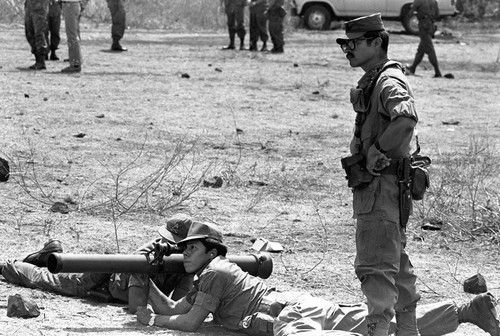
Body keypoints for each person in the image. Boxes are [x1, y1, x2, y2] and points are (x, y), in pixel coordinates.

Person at [136, 221, 500, 336]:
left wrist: (155, 320)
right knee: (378, 322)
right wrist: (142, 273)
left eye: (190, 249)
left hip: (285, 314)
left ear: (212, 251)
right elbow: (174, 307)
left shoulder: (214, 272)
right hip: (297, 303)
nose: (183, 255)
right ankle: (468, 308)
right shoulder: (212, 274)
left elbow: (188, 321)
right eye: (182, 250)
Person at [337, 13, 422, 336]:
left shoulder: (387, 81)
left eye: (354, 43)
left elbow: (406, 118)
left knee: (375, 270)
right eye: (345, 44)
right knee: (396, 267)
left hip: (380, 191)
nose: (348, 49)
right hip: (384, 191)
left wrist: (377, 151)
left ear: (376, 42)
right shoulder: (378, 78)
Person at [1, 214, 194, 314]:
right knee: (45, 280)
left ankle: (49, 254)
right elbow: (137, 305)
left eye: (178, 242)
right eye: (169, 240)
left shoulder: (187, 263)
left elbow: (177, 304)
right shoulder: (151, 251)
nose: (170, 245)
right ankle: (7, 265)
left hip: (112, 288)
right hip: (101, 279)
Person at [405, 0, 442, 78]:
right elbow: (437, 14)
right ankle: (413, 68)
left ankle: (437, 71)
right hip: (431, 25)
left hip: (423, 25)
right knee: (421, 48)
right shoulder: (434, 1)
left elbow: (410, 14)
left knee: (429, 48)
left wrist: (416, 12)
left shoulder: (418, 1)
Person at [24, 0, 50, 70]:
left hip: (40, 7)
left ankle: (40, 61)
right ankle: (37, 59)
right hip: (30, 6)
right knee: (29, 33)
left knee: (39, 34)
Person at [60, 0, 83, 73]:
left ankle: (75, 63)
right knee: (73, 34)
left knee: (72, 35)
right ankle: (76, 59)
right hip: (72, 5)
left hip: (70, 5)